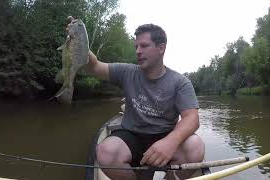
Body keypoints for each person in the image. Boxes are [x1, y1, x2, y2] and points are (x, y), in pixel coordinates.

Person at [85, 24, 205, 180]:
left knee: (195, 147)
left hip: (165, 135)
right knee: (106, 152)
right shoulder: (126, 72)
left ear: (161, 48)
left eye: (144, 46)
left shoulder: (180, 82)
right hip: (132, 135)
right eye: (136, 46)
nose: (138, 51)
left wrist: (170, 142)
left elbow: (192, 118)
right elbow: (94, 67)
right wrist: (80, 43)